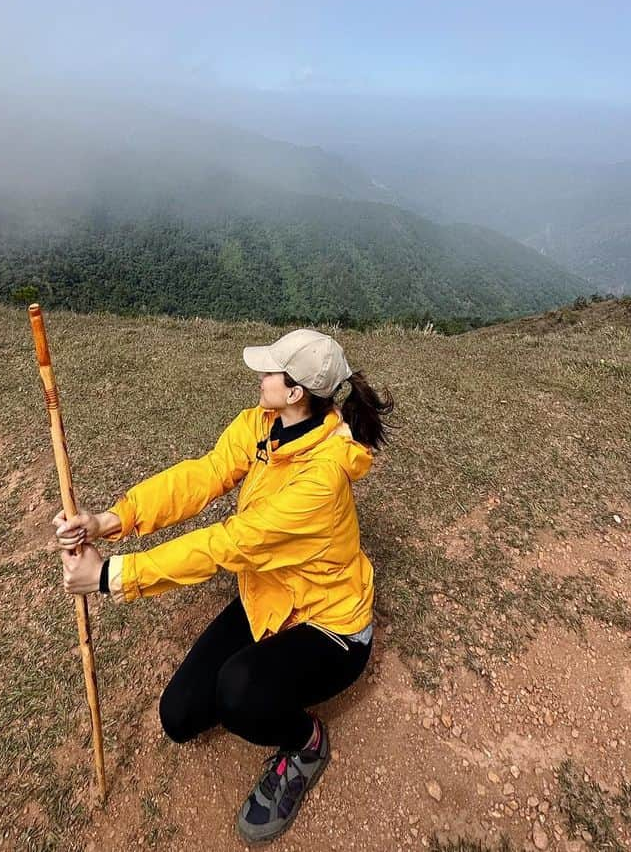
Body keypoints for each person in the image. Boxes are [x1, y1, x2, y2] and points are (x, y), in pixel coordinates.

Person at [54, 327, 393, 844]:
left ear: (297, 391)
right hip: (270, 596)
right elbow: (203, 475)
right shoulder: (262, 424)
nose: (259, 376)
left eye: (270, 371)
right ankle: (264, 692)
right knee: (179, 716)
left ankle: (306, 743)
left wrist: (108, 575)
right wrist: (110, 520)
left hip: (330, 629)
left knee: (238, 694)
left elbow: (227, 545)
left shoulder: (320, 480)